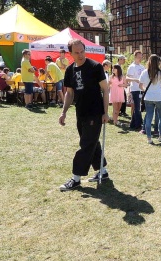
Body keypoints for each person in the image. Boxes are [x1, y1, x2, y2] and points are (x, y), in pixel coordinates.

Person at [58, 39, 110, 191]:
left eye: (82, 51)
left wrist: (106, 112)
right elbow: (69, 92)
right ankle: (102, 171)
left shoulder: (95, 67)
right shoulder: (70, 70)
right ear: (71, 53)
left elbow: (105, 90)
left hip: (95, 113)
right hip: (80, 113)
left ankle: (76, 178)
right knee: (92, 142)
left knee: (86, 144)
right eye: (76, 52)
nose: (80, 55)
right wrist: (64, 112)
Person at [139, 54, 161, 144]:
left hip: (148, 97)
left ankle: (149, 138)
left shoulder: (145, 72)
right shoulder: (160, 73)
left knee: (149, 117)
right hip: (159, 97)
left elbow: (140, 85)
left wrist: (146, 90)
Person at [126, 50, 145, 130]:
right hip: (135, 89)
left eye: (141, 57)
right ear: (135, 57)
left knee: (138, 107)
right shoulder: (132, 66)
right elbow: (127, 78)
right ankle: (138, 124)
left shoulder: (142, 67)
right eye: (139, 57)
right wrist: (135, 79)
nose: (140, 58)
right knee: (137, 107)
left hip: (141, 89)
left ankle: (132, 124)